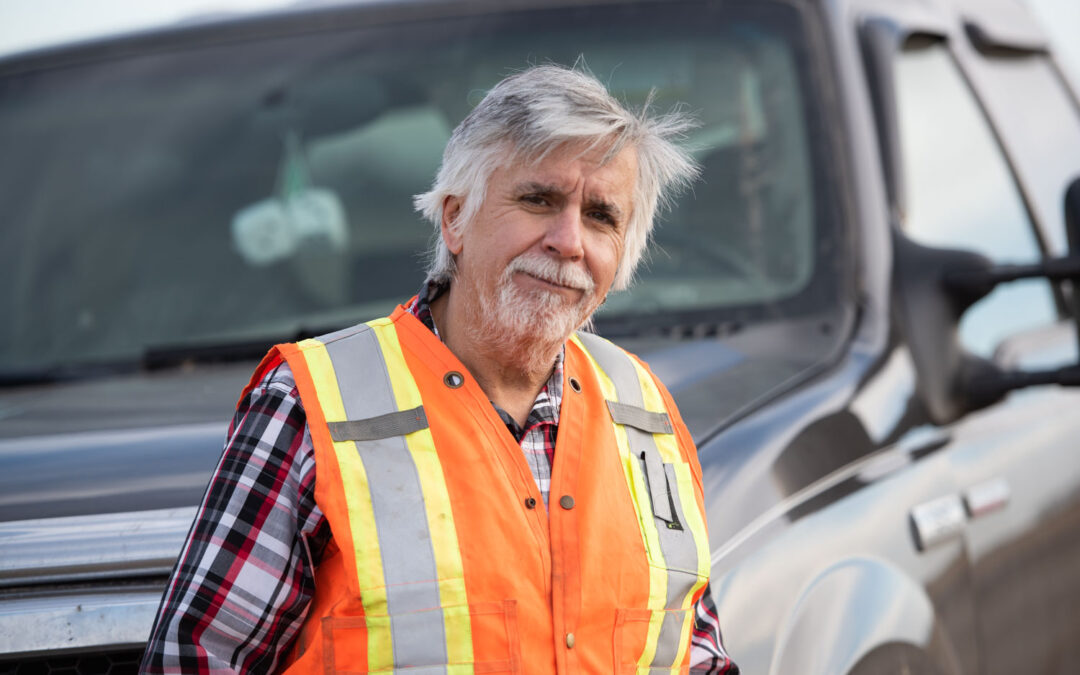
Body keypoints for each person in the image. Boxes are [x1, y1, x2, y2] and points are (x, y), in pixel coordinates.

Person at [142, 64, 738, 674]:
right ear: (454, 219)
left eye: (601, 217)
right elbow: (193, 661)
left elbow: (693, 651)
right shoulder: (313, 403)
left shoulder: (645, 411)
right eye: (539, 200)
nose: (569, 241)